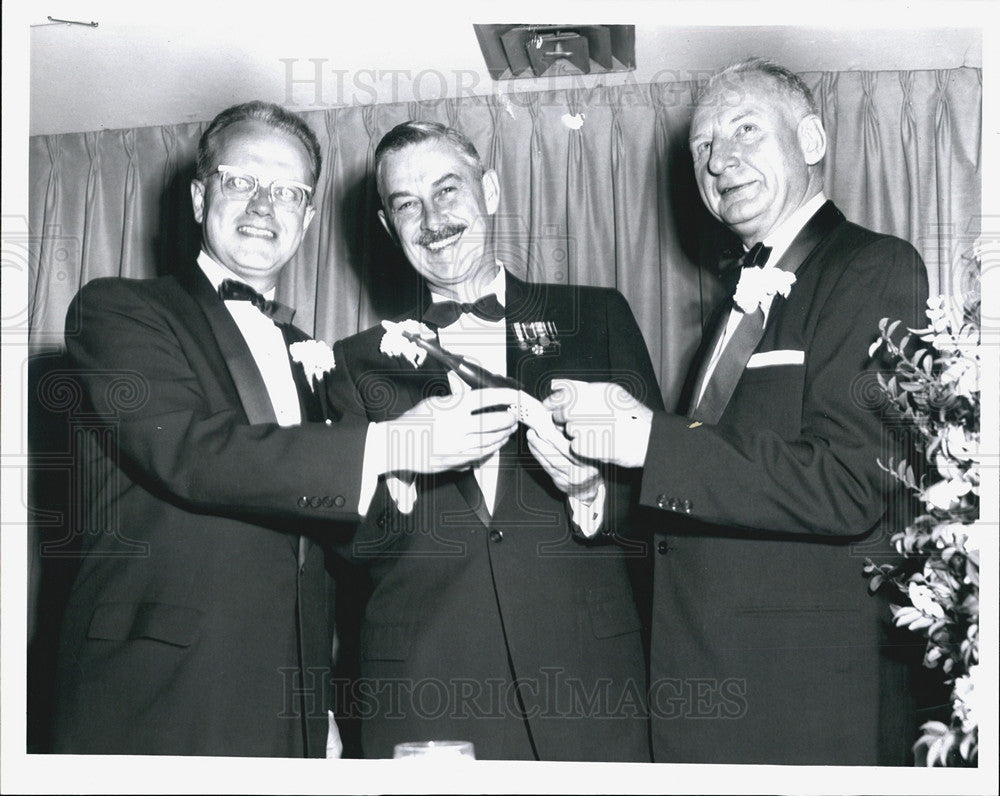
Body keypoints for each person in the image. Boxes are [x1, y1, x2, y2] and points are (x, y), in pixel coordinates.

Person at [50, 101, 519, 757]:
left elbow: (340, 545)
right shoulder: (120, 311)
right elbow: (191, 454)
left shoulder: (318, 358)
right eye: (240, 181)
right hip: (155, 696)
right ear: (197, 197)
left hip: (288, 709)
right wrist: (398, 444)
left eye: (287, 191)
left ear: (307, 217)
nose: (263, 205)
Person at [545, 59, 930, 765]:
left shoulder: (873, 267)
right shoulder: (732, 306)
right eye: (702, 147)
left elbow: (850, 484)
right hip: (704, 694)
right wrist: (595, 487)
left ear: (812, 140)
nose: (719, 160)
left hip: (807, 705)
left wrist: (648, 439)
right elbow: (705, 495)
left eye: (745, 129)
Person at [322, 121, 662, 760]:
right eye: (406, 205)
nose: (432, 219)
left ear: (492, 190)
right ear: (390, 226)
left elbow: (668, 501)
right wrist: (396, 470)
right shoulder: (355, 363)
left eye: (447, 191)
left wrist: (591, 489)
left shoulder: (597, 317)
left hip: (589, 688)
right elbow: (352, 551)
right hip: (425, 692)